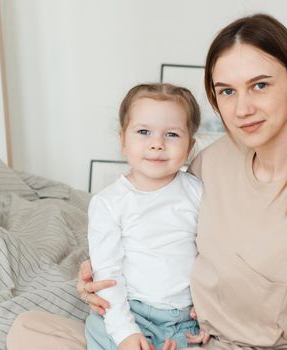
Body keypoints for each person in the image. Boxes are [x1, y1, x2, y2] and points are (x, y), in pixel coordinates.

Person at [7, 13, 287, 350]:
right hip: (173, 329)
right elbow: (160, 215)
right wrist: (99, 272)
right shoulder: (216, 160)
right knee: (27, 330)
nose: (241, 109)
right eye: (227, 91)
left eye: (260, 85)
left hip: (237, 345)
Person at [84, 83, 207, 350]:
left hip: (186, 319)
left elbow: (213, 254)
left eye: (172, 134)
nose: (157, 144)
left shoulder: (197, 192)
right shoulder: (108, 203)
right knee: (97, 324)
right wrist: (126, 332)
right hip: (133, 311)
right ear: (123, 141)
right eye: (143, 132)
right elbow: (107, 273)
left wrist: (209, 310)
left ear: (190, 145)